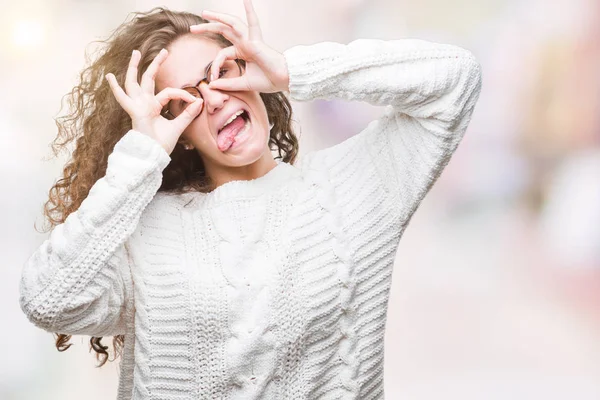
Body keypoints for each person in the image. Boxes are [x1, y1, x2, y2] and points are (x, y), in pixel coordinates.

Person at [18, 0, 483, 398]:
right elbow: (47, 299)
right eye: (185, 99)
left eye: (222, 73)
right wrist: (140, 159)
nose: (215, 99)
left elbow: (455, 78)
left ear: (250, 76)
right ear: (174, 132)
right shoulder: (147, 231)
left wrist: (292, 71)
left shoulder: (353, 188)